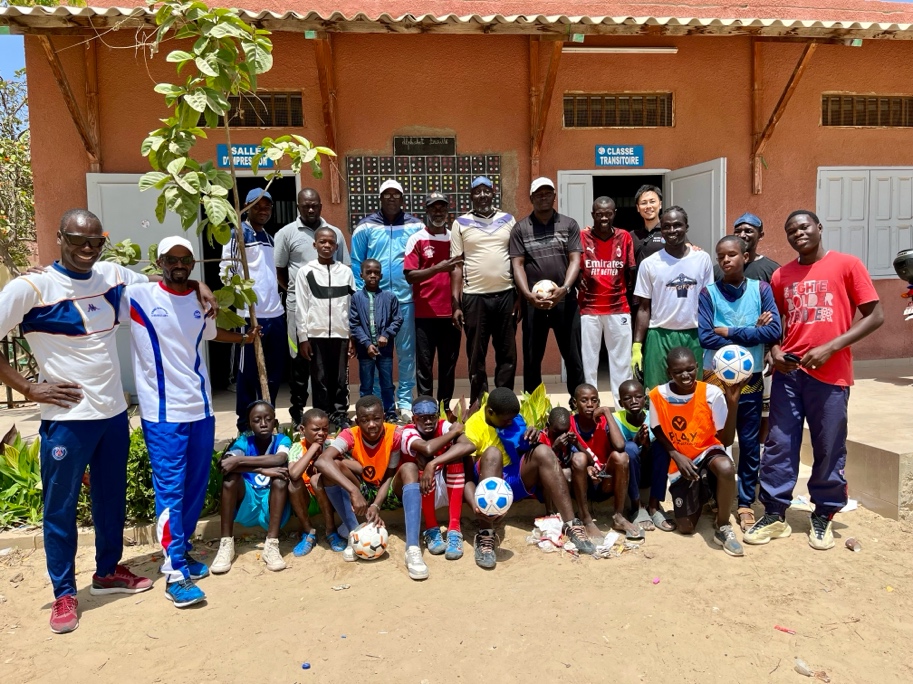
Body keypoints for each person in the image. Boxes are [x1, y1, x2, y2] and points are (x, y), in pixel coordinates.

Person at [0, 209, 167, 633]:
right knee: (61, 509)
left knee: (111, 498)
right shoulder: (32, 287)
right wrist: (27, 387)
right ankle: (63, 594)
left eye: (96, 242)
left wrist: (200, 288)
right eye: (78, 241)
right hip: (67, 420)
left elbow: (162, 289)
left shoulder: (111, 275)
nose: (88, 250)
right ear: (59, 238)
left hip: (111, 415)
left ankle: (108, 571)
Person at [745, 210, 883, 551]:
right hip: (789, 374)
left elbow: (875, 315)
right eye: (791, 230)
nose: (798, 233)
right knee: (779, 443)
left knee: (829, 445)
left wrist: (831, 346)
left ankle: (823, 514)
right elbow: (773, 322)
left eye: (804, 227)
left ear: (819, 227)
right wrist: (774, 350)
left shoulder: (847, 265)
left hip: (831, 373)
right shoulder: (781, 276)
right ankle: (775, 512)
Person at [128, 236, 254, 608]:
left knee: (196, 486)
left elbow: (211, 336)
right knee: (171, 489)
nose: (179, 265)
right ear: (160, 260)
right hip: (163, 414)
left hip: (200, 409)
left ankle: (181, 553)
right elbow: (98, 283)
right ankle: (174, 574)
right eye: (172, 259)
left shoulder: (200, 304)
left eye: (186, 260)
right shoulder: (138, 297)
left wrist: (246, 338)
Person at [698, 235, 781, 531]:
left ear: (745, 257)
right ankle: (714, 497)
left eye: (732, 255)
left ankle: (745, 503)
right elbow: (705, 336)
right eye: (720, 256)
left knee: (747, 441)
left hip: (750, 377)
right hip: (713, 378)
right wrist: (750, 331)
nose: (726, 260)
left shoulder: (761, 289)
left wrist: (728, 330)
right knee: (714, 439)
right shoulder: (708, 293)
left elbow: (773, 330)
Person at [462, 387, 597, 569]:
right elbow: (467, 475)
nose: (511, 422)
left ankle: (571, 523)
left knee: (543, 451)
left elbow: (522, 448)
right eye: (506, 420)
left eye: (513, 419)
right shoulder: (473, 426)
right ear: (490, 413)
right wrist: (473, 504)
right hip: (488, 487)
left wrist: (532, 438)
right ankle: (485, 534)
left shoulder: (513, 418)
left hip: (513, 482)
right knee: (493, 454)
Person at [315, 395, 430, 580]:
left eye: (376, 418)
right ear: (356, 421)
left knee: (409, 468)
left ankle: (413, 549)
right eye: (365, 420)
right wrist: (353, 491)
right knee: (331, 469)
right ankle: (356, 534)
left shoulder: (394, 433)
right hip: (362, 489)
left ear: (384, 416)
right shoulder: (350, 435)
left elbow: (390, 476)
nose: (371, 425)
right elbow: (322, 461)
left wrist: (376, 505)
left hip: (387, 489)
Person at [648, 347, 745, 556]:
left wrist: (733, 404)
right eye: (678, 371)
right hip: (680, 459)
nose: (685, 376)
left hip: (707, 451)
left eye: (690, 369)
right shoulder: (657, 395)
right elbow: (656, 428)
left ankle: (723, 526)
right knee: (686, 527)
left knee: (726, 467)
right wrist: (675, 454)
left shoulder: (711, 393)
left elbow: (726, 440)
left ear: (697, 368)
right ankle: (705, 491)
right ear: (669, 373)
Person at [275, 188, 350, 426]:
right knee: (300, 361)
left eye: (315, 205)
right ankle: (299, 411)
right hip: (300, 306)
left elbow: (346, 275)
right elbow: (280, 269)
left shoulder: (335, 232)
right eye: (305, 205)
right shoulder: (286, 233)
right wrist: (295, 291)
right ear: (298, 206)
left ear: (320, 206)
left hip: (333, 313)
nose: (310, 209)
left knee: (333, 372)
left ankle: (335, 412)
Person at [351, 180, 423, 421]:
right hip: (375, 303)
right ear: (380, 198)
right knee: (375, 355)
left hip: (405, 300)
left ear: (403, 199)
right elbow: (355, 263)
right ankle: (378, 402)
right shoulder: (365, 227)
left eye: (396, 195)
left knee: (405, 353)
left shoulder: (416, 226)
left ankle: (403, 400)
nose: (391, 198)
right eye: (387, 195)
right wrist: (364, 299)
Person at [510, 177, 585, 397]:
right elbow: (518, 264)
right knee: (532, 360)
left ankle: (578, 405)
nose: (543, 197)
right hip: (535, 303)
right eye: (539, 194)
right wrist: (527, 296)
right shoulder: (520, 228)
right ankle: (534, 408)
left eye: (547, 193)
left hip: (565, 301)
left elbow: (575, 260)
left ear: (554, 195)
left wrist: (565, 289)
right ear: (531, 198)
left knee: (573, 358)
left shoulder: (569, 224)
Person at [220, 188, 286, 431]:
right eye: (257, 205)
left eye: (267, 206)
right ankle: (245, 426)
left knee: (273, 373)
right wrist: (237, 300)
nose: (263, 210)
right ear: (246, 208)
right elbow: (227, 270)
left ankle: (266, 420)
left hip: (275, 314)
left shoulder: (269, 237)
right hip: (250, 315)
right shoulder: (237, 234)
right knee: (247, 375)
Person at [450, 176, 518, 404]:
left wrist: (518, 296)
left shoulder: (508, 220)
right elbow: (457, 265)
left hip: (506, 294)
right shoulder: (460, 223)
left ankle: (504, 400)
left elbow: (517, 259)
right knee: (476, 354)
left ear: (493, 193)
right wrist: (456, 303)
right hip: (474, 298)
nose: (482, 195)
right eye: (477, 192)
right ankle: (479, 402)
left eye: (486, 191)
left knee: (507, 353)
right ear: (471, 196)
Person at [716, 213, 781, 444]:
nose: (743, 234)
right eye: (738, 229)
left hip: (760, 355)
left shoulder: (772, 270)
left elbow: (777, 316)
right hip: (725, 356)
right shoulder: (719, 271)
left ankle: (759, 460)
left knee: (762, 410)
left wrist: (774, 348)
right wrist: (754, 328)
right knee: (725, 409)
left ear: (760, 235)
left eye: (749, 230)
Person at [632, 206, 714, 391]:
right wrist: (637, 345)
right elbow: (644, 308)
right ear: (661, 230)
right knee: (655, 393)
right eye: (666, 226)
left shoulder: (702, 259)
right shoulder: (649, 264)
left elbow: (707, 302)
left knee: (693, 391)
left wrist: (710, 336)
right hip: (659, 334)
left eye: (677, 225)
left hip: (693, 334)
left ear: (686, 227)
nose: (672, 230)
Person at [211, 401, 292, 575]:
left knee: (279, 480)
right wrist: (261, 469)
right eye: (257, 420)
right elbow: (225, 465)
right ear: (249, 425)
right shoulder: (244, 442)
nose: (263, 424)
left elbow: (278, 459)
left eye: (268, 419)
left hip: (271, 507)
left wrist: (239, 461)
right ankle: (226, 545)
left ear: (275, 423)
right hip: (248, 504)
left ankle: (272, 544)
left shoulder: (282, 440)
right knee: (230, 479)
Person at [404, 192, 463, 412]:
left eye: (442, 208)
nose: (438, 212)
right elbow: (410, 275)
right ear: (426, 211)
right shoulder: (417, 238)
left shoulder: (455, 238)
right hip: (425, 313)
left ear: (448, 210)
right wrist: (438, 268)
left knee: (448, 364)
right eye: (433, 208)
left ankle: (445, 406)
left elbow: (460, 270)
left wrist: (458, 304)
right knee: (425, 366)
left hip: (452, 312)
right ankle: (426, 408)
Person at [562, 384, 643, 541]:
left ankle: (618, 516)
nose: (590, 404)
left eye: (594, 400)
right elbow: (566, 457)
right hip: (582, 482)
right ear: (574, 403)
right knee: (579, 458)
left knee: (621, 457)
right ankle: (586, 518)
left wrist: (607, 412)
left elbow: (620, 446)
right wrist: (587, 468)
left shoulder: (603, 422)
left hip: (605, 482)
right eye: (584, 400)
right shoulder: (569, 424)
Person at [401, 396, 475, 560]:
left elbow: (469, 445)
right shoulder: (408, 431)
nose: (428, 422)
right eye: (423, 418)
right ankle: (432, 528)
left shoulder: (443, 426)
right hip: (420, 493)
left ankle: (454, 530)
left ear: (437, 416)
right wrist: (455, 432)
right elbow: (427, 449)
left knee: (455, 458)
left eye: (432, 417)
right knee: (422, 460)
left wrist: (433, 464)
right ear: (414, 419)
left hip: (448, 486)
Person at [296, 226, 355, 430]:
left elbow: (351, 305)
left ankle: (339, 415)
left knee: (340, 379)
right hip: (316, 334)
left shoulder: (346, 272)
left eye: (331, 242)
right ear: (315, 245)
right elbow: (301, 306)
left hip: (340, 334)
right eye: (322, 242)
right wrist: (303, 337)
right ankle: (321, 417)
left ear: (336, 246)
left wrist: (352, 335)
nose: (327, 245)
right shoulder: (306, 272)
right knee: (319, 378)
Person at [578, 196, 636, 402]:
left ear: (614, 214)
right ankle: (590, 409)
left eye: (608, 214)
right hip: (589, 309)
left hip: (618, 307)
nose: (604, 218)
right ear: (593, 215)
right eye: (599, 214)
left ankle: (622, 409)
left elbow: (631, 271)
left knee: (621, 363)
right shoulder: (582, 237)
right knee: (589, 363)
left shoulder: (625, 237)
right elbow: (574, 267)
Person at [613, 379, 674, 532]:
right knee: (630, 447)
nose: (633, 401)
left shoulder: (652, 417)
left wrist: (646, 446)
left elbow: (650, 455)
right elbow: (620, 450)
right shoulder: (616, 420)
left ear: (645, 400)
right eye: (627, 398)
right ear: (621, 402)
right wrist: (635, 440)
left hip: (648, 472)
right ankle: (637, 507)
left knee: (661, 446)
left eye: (638, 397)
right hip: (628, 476)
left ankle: (654, 506)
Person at [350, 258, 403, 421]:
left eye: (376, 272)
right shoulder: (357, 298)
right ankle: (365, 414)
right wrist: (366, 343)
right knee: (366, 385)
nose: (373, 275)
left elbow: (397, 319)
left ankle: (390, 412)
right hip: (365, 352)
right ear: (361, 275)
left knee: (387, 384)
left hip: (385, 351)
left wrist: (386, 335)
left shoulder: (389, 297)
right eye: (369, 272)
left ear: (381, 275)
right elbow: (354, 323)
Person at [286, 408, 343, 555]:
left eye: (325, 429)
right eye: (316, 429)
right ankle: (308, 531)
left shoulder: (332, 444)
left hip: (329, 496)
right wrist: (314, 448)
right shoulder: (297, 448)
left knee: (316, 479)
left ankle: (331, 530)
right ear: (302, 430)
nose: (321, 433)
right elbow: (293, 474)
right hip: (306, 499)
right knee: (293, 485)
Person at [630, 185, 665, 267]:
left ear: (660, 204)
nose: (648, 206)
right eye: (643, 203)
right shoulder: (632, 236)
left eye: (652, 201)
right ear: (638, 208)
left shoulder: (670, 232)